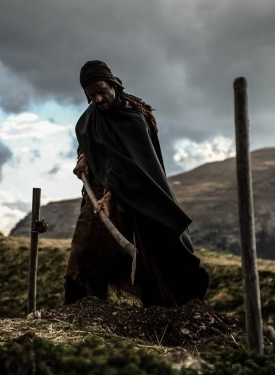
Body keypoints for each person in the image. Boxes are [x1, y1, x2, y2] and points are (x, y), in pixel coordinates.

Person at [63, 60, 209, 307]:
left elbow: (137, 166)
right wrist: (83, 157)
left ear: (113, 84)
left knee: (157, 249)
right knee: (88, 248)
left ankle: (165, 311)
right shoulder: (91, 118)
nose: (97, 99)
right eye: (91, 95)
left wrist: (112, 195)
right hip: (98, 192)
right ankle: (84, 309)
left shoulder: (134, 117)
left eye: (101, 91)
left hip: (138, 193)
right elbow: (86, 139)